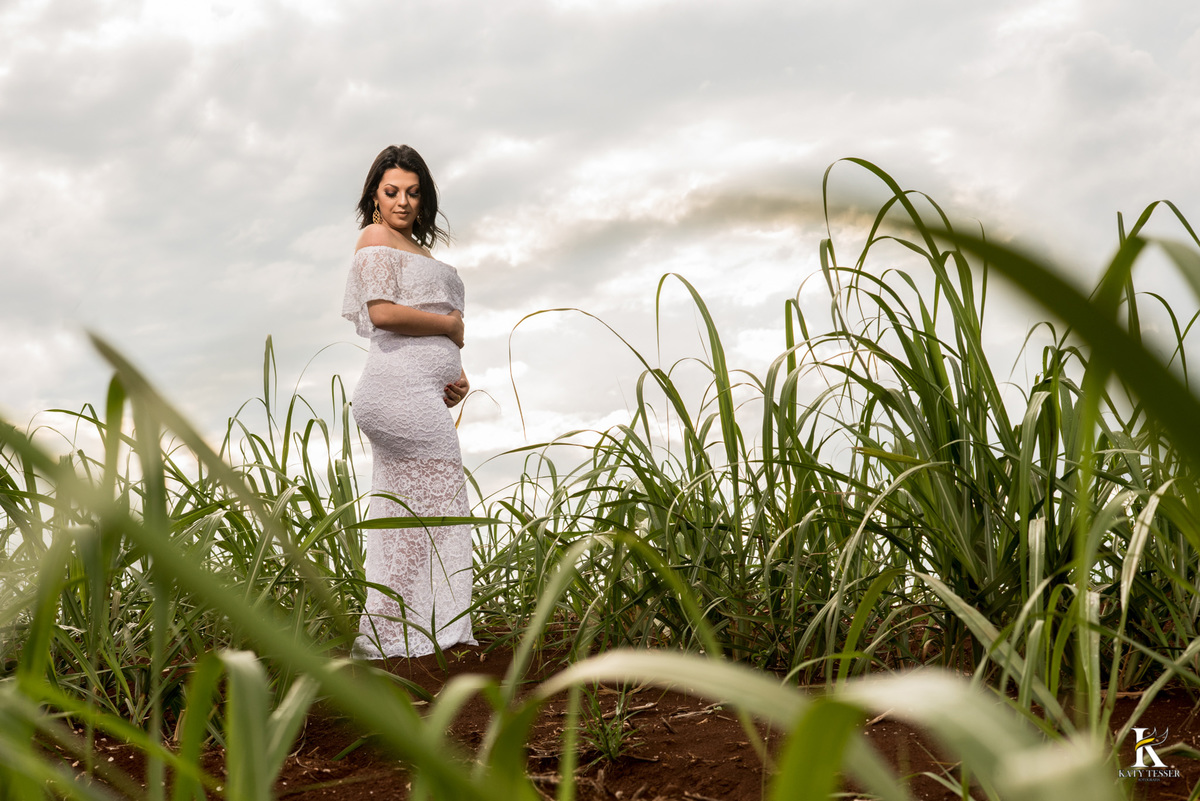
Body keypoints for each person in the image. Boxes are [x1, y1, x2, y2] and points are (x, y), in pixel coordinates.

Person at [341, 144, 476, 658]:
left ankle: (406, 629)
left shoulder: (421, 254)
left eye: (413, 193)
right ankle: (413, 631)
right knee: (441, 500)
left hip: (419, 391)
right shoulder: (374, 237)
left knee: (415, 510)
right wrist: (451, 329)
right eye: (392, 191)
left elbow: (423, 320)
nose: (403, 202)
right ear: (375, 195)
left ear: (425, 199)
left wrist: (456, 373)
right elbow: (383, 314)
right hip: (395, 391)